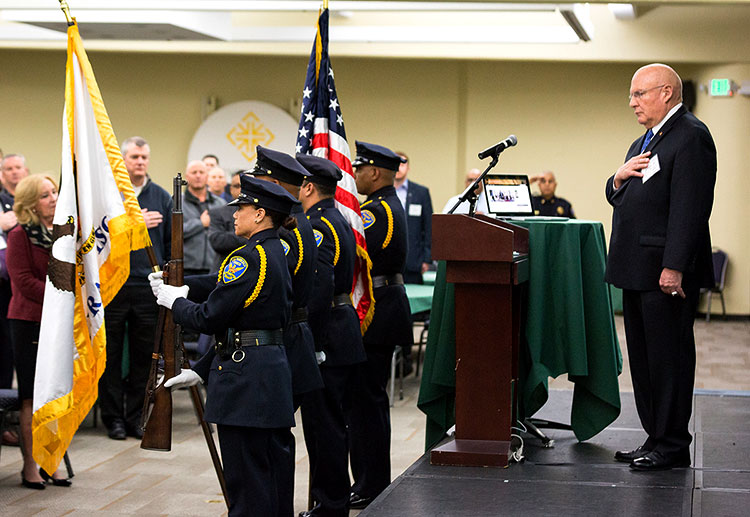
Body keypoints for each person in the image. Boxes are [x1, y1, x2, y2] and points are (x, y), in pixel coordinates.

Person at [152, 176, 298, 517]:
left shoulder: (247, 257)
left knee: (246, 482)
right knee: (271, 477)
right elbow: (238, 310)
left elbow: (210, 317)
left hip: (245, 382)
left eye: (241, 208)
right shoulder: (277, 249)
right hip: (268, 372)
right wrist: (200, 370)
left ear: (260, 214)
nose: (233, 214)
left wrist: (174, 302)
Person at [606, 63, 716, 471]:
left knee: (669, 359)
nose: (633, 102)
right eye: (632, 95)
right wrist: (616, 179)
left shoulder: (690, 137)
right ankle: (655, 436)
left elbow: (690, 209)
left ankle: (671, 444)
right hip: (637, 269)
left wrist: (674, 266)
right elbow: (624, 193)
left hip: (664, 273)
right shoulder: (645, 140)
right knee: (646, 360)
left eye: (640, 94)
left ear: (667, 93)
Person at [246, 146, 324, 517]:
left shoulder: (286, 232)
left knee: (269, 443)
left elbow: (272, 295)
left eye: (259, 181)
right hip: (293, 336)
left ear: (274, 184)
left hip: (283, 339)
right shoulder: (299, 223)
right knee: (274, 442)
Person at [297, 153, 366, 517]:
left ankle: (330, 506)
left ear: (308, 187)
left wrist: (315, 343)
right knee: (331, 425)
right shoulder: (332, 217)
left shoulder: (318, 225)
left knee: (325, 429)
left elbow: (320, 290)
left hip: (330, 336)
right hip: (342, 330)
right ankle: (331, 502)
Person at [348, 141, 412, 509]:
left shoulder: (376, 210)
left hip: (378, 310)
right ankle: (371, 482)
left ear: (374, 172)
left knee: (366, 403)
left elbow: (361, 255)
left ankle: (371, 485)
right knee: (367, 403)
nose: (354, 175)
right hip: (384, 307)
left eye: (359, 169)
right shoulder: (386, 204)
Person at [99, 136, 171, 441]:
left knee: (145, 357)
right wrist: (132, 222)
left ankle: (135, 418)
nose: (139, 162)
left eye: (144, 157)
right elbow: (97, 236)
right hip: (113, 284)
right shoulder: (110, 196)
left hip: (147, 286)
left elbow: (169, 242)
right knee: (111, 355)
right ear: (123, 160)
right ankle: (113, 418)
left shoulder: (161, 196)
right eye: (134, 157)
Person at [6, 174, 71, 488]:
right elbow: (22, 282)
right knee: (31, 398)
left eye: (55, 191)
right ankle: (29, 467)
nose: (54, 198)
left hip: (57, 323)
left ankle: (51, 463)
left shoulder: (62, 232)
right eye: (46, 195)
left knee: (54, 396)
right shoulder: (20, 235)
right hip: (29, 321)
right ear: (31, 203)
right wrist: (60, 296)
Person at [0, 154, 28, 400]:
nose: (14, 172)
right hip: (4, 284)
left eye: (18, 167)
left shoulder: (32, 202)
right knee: (4, 352)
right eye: (8, 168)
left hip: (26, 286)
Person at [394, 152, 433, 284]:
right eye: (396, 163)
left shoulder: (421, 193)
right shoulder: (382, 192)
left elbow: (429, 227)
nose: (399, 168)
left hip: (414, 262)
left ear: (408, 168)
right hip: (389, 263)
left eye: (402, 164)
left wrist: (427, 258)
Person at [183, 160, 226, 276]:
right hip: (186, 268)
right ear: (187, 177)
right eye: (194, 172)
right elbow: (173, 233)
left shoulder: (220, 204)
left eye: (201, 172)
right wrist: (200, 223)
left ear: (207, 176)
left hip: (215, 268)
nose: (198, 176)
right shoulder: (177, 202)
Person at [208, 171, 245, 272]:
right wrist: (249, 236)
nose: (241, 190)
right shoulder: (218, 212)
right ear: (231, 189)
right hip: (224, 271)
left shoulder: (263, 212)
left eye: (245, 186)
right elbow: (218, 241)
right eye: (237, 186)